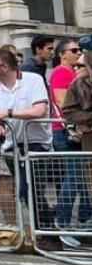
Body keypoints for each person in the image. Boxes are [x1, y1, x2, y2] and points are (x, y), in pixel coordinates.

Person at [0, 48, 58, 251]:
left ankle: (50, 235)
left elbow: (39, 110)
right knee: (24, 191)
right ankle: (42, 234)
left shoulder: (33, 80)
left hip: (36, 145)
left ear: (4, 67)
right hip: (11, 145)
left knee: (35, 189)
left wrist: (8, 112)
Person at [50, 38, 90, 247]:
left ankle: (85, 218)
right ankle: (62, 224)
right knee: (73, 178)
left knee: (81, 179)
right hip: (64, 133)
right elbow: (61, 102)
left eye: (80, 50)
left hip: (75, 133)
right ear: (61, 54)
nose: (78, 53)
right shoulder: (61, 72)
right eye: (73, 50)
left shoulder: (74, 72)